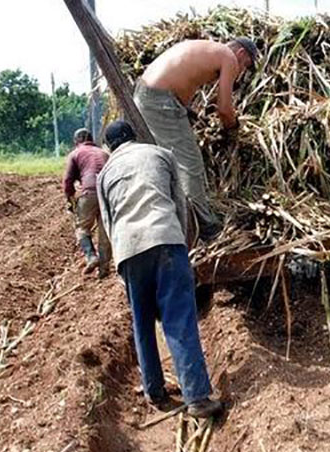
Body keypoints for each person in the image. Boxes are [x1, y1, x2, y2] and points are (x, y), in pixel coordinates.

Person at [97, 120, 222, 418]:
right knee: (178, 319)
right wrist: (181, 242)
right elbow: (179, 203)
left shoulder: (104, 175)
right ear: (134, 137)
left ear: (110, 147)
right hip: (165, 237)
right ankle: (197, 398)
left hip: (128, 249)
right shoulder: (160, 154)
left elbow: (108, 222)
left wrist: (119, 264)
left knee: (141, 323)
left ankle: (154, 390)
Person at [134, 37, 259, 244]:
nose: (242, 70)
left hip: (150, 94)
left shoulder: (208, 48)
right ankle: (205, 228)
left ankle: (177, 219)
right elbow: (225, 110)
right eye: (246, 65)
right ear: (242, 54)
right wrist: (232, 129)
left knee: (167, 164)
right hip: (159, 101)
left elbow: (182, 76)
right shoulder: (229, 57)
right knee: (189, 164)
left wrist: (186, 109)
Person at [62, 128, 111, 277]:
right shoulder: (104, 153)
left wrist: (70, 200)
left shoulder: (75, 153)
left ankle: (91, 256)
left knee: (82, 228)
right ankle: (104, 269)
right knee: (105, 232)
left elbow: (67, 181)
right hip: (107, 192)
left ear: (76, 141)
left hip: (89, 192)